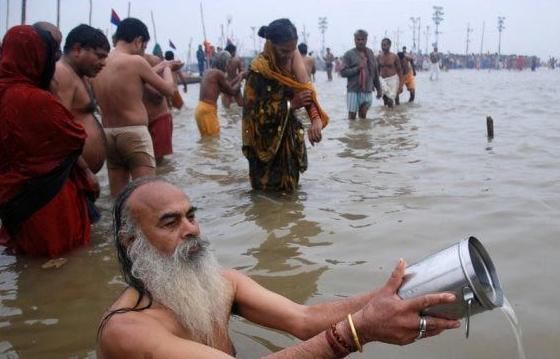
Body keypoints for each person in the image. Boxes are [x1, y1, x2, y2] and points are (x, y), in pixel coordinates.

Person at [96, 177, 461, 358]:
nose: (190, 229)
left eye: (191, 216)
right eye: (169, 222)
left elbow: (303, 319)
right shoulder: (126, 329)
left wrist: (397, 294)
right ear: (132, 242)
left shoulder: (224, 284)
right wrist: (358, 330)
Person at [0, 24, 99, 257]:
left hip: (14, 198)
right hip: (49, 199)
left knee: (31, 264)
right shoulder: (32, 98)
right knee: (65, 261)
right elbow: (73, 136)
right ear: (36, 56)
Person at [92, 17, 179, 197]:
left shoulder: (99, 63)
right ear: (138, 41)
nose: (142, 51)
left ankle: (119, 226)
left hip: (108, 134)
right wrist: (168, 68)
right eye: (144, 46)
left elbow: (133, 79)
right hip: (134, 134)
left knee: (119, 198)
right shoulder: (135, 62)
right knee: (147, 195)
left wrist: (160, 65)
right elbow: (169, 90)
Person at [242, 18, 329, 192]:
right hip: (264, 141)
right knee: (266, 193)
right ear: (271, 45)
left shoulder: (292, 56)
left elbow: (304, 90)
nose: (288, 56)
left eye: (292, 50)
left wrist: (316, 121)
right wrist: (291, 104)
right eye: (283, 51)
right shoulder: (259, 71)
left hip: (287, 135)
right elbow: (254, 115)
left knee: (290, 193)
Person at [51, 24, 109, 177]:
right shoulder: (62, 73)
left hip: (78, 174)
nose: (104, 63)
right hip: (71, 174)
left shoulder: (80, 76)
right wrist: (84, 170)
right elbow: (58, 131)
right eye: (99, 56)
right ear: (77, 50)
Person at [194, 52, 244, 137]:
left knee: (207, 142)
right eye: (227, 63)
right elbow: (232, 91)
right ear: (223, 62)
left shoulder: (208, 72)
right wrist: (240, 78)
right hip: (207, 111)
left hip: (200, 109)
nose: (227, 66)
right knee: (213, 141)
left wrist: (239, 78)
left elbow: (226, 89)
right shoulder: (218, 74)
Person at [340, 29, 381, 120]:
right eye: (358, 39)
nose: (360, 42)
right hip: (353, 90)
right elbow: (343, 72)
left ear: (366, 40)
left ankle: (363, 133)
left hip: (367, 89)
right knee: (352, 117)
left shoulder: (370, 53)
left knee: (363, 116)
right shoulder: (349, 54)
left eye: (362, 39)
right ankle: (354, 133)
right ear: (354, 40)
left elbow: (375, 72)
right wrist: (357, 68)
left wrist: (379, 89)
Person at [143, 54, 174, 163]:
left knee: (159, 163)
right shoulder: (124, 63)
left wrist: (141, 81)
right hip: (141, 122)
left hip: (158, 117)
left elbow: (159, 96)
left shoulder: (154, 61)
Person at [376, 38, 402, 107]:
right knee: (385, 100)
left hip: (393, 80)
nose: (383, 47)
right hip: (383, 80)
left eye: (385, 45)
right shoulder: (378, 57)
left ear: (389, 45)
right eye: (382, 45)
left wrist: (401, 85)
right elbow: (377, 71)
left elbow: (400, 71)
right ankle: (387, 117)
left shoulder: (394, 56)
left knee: (391, 100)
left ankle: (396, 115)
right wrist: (376, 85)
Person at [221, 43, 244, 108]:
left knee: (226, 108)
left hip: (226, 84)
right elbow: (241, 72)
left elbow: (221, 73)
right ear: (233, 51)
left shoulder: (224, 61)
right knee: (241, 105)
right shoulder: (237, 60)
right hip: (235, 84)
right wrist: (239, 81)